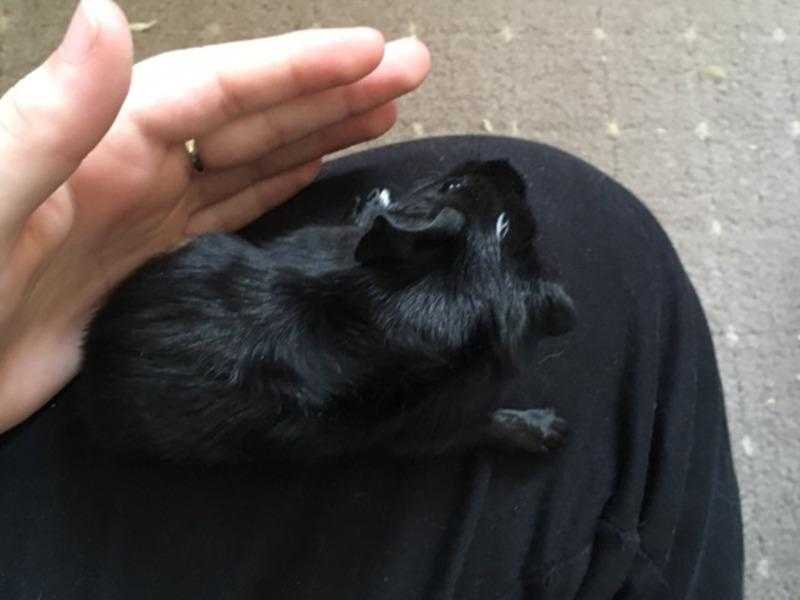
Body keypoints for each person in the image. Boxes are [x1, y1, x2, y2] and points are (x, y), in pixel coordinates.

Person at [0, 1, 744, 599]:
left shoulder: (355, 267)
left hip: (115, 353)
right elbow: (412, 432)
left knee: (605, 237)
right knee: (615, 246)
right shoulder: (426, 385)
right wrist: (493, 422)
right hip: (137, 419)